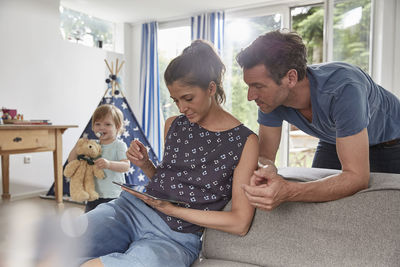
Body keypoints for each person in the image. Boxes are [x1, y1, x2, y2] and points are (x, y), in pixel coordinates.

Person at [78, 40, 258, 267]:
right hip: (130, 211)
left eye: (188, 98)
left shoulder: (245, 142)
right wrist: (145, 164)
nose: (181, 108)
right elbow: (169, 184)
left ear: (211, 88)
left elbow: (239, 222)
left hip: (175, 238)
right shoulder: (173, 124)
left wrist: (174, 210)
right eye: (175, 100)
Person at [236, 29, 400, 211]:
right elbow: (265, 156)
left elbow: (356, 178)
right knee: (319, 203)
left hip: (390, 142)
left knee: (388, 209)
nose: (251, 96)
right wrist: (266, 170)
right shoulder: (271, 100)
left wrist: (288, 191)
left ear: (291, 78)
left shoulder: (344, 89)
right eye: (249, 86)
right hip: (334, 138)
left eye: (258, 86)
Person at [68, 104, 130, 212]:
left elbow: (126, 166)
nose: (101, 127)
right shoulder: (92, 145)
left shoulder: (119, 145)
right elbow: (72, 161)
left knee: (110, 223)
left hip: (113, 195)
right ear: (93, 127)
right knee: (90, 222)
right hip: (93, 194)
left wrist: (109, 164)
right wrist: (77, 146)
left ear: (118, 126)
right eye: (98, 124)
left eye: (107, 124)